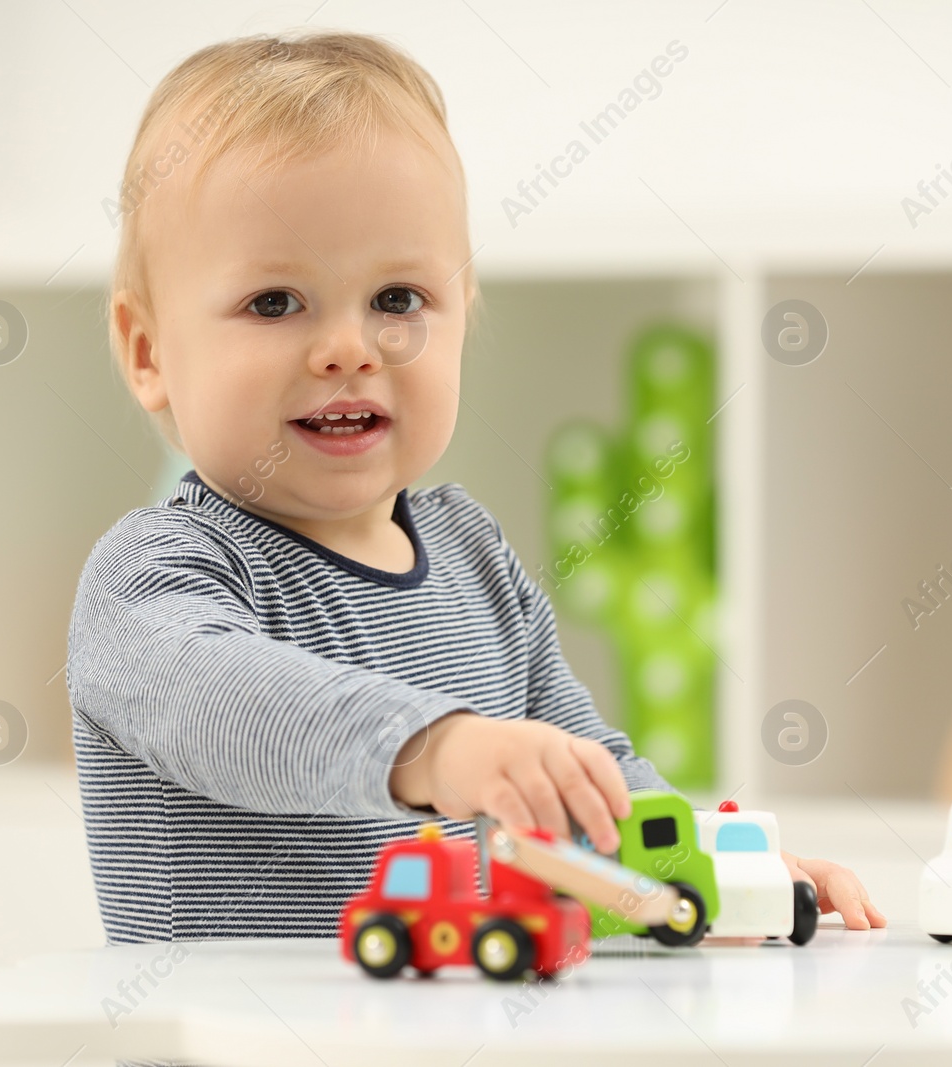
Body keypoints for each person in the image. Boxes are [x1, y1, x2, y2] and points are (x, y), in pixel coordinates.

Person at [68, 29, 886, 944]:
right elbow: (219, 702)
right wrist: (430, 747)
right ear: (150, 354)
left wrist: (720, 867)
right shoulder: (154, 575)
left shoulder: (473, 558)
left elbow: (594, 775)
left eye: (398, 300)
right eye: (275, 302)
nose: (350, 347)